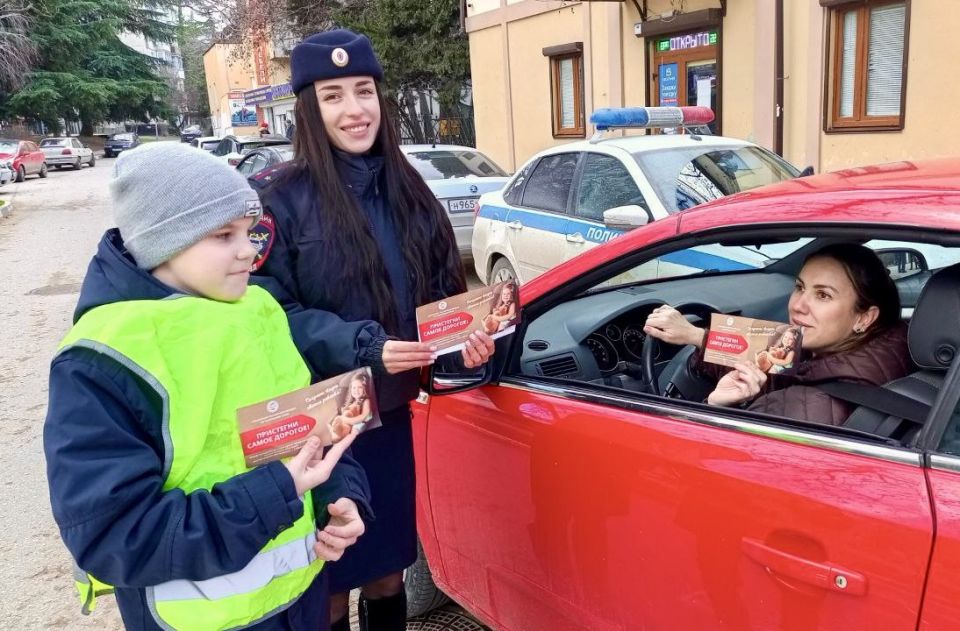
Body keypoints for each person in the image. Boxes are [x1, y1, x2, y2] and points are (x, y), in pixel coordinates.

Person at [44, 142, 372, 631]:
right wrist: (277, 491)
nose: (250, 251)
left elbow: (307, 432)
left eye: (250, 232)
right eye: (224, 235)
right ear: (164, 242)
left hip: (299, 604)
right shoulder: (101, 359)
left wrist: (339, 493)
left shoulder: (256, 310)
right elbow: (114, 535)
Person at [248, 29, 496, 631]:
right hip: (315, 424)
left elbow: (441, 297)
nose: (354, 109)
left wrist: (468, 339)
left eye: (364, 91)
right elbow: (266, 315)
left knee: (388, 572)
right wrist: (365, 346)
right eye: (333, 96)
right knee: (327, 581)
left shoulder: (412, 193)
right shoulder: (278, 200)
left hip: (389, 417)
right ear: (309, 109)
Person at [643, 243, 915, 425]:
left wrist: (714, 408)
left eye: (822, 295)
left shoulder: (799, 408)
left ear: (864, 317)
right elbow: (782, 359)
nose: (797, 305)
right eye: (799, 287)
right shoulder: (891, 345)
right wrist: (696, 336)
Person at [331, 372, 374, 441]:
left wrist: (348, 420)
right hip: (349, 422)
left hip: (360, 423)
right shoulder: (352, 402)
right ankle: (339, 433)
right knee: (338, 420)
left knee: (355, 427)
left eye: (359, 387)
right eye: (354, 388)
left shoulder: (366, 401)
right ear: (351, 389)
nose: (356, 390)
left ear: (364, 389)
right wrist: (341, 418)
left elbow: (364, 416)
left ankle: (343, 435)